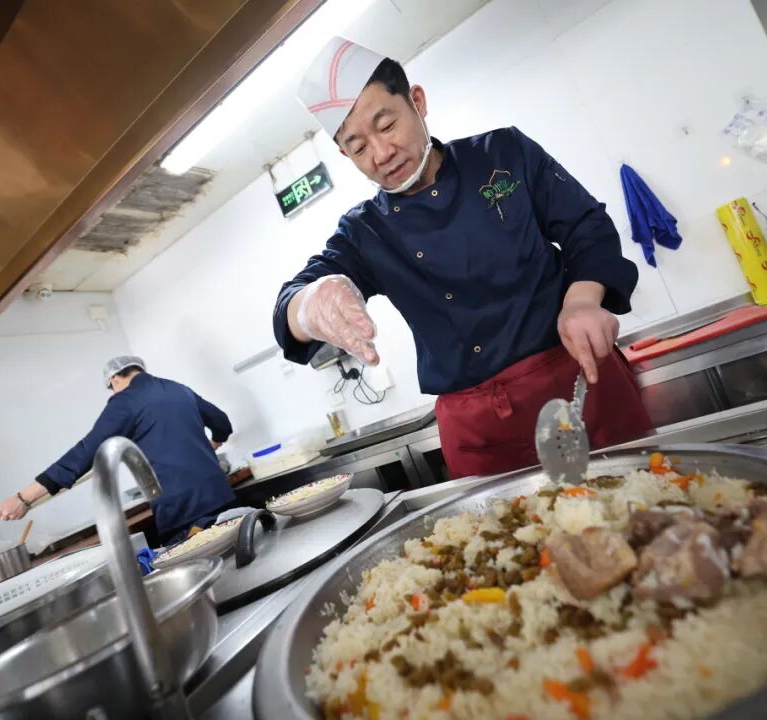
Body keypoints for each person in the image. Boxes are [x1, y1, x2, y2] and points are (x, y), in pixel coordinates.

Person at [273, 38, 653, 479]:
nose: (381, 154)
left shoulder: (504, 152)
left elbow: (586, 226)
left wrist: (582, 301)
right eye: (358, 148)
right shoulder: (364, 231)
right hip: (481, 432)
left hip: (576, 380)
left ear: (417, 102)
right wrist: (310, 302)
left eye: (387, 125)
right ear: (345, 154)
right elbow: (292, 302)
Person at [0, 356, 235, 544]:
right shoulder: (178, 389)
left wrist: (23, 498)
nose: (113, 392)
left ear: (115, 379)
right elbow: (222, 423)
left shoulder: (126, 400)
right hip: (222, 496)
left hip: (184, 512)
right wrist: (209, 448)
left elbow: (86, 452)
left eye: (111, 387)